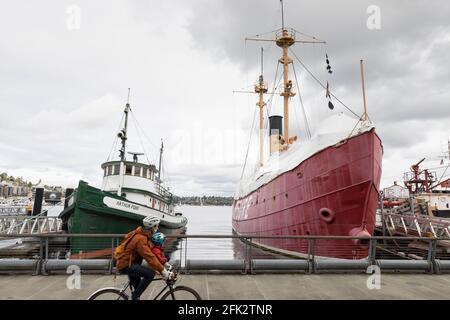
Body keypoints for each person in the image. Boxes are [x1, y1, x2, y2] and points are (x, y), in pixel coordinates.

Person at [116, 216, 173, 300]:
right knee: (150, 274)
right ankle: (135, 296)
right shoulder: (141, 238)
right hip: (126, 265)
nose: (157, 228)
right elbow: (149, 257)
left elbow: (151, 253)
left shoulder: (140, 234)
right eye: (156, 226)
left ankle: (136, 297)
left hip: (130, 263)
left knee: (138, 288)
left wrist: (164, 264)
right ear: (152, 227)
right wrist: (163, 271)